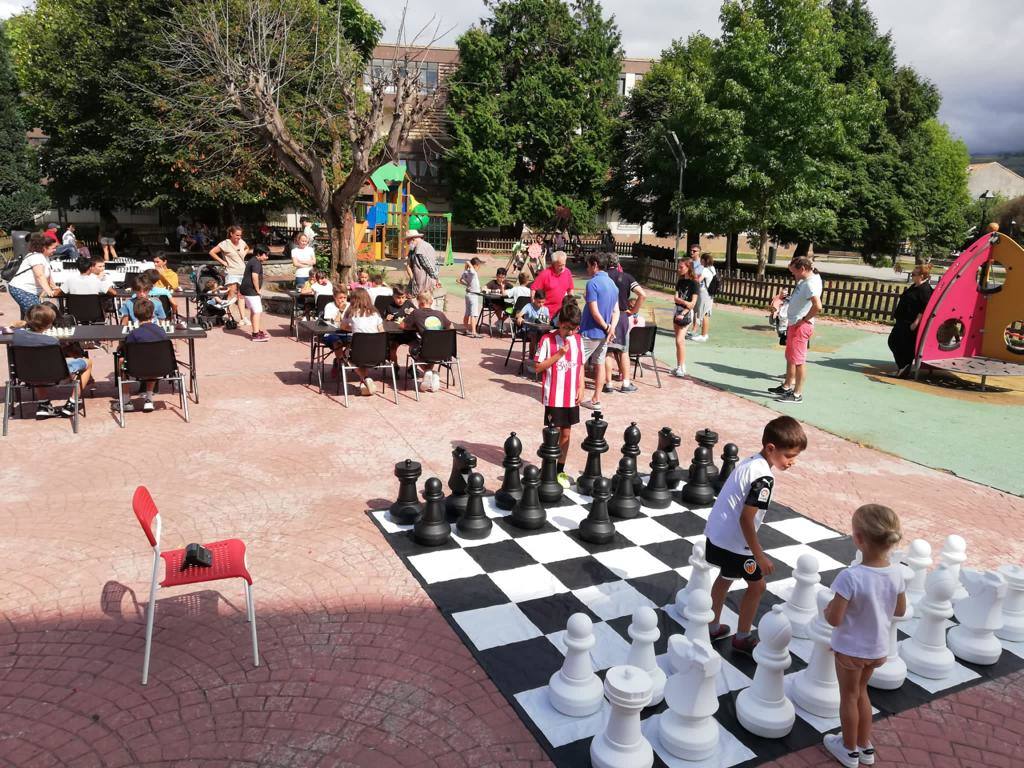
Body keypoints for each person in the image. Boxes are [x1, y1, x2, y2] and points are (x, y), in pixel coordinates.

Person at [703, 415, 807, 655]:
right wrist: (759, 556)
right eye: (789, 456)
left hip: (718, 536)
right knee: (757, 586)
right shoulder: (764, 479)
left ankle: (712, 627)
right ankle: (742, 637)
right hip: (737, 545)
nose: (792, 462)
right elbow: (746, 519)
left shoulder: (750, 462)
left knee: (725, 577)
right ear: (771, 448)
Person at [822, 504, 905, 768]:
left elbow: (834, 619)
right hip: (877, 649)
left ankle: (848, 749)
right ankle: (865, 746)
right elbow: (900, 610)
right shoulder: (896, 573)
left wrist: (827, 610)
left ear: (859, 539)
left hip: (850, 650)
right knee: (862, 693)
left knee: (848, 697)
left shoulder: (851, 576)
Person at [12, 303, 93, 418]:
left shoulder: (17, 336)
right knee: (88, 362)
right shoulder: (51, 341)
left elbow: (17, 328)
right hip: (56, 373)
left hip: (25, 373)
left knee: (37, 363)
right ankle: (72, 402)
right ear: (49, 324)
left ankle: (43, 404)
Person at [534, 301, 584, 488]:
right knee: (552, 435)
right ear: (560, 323)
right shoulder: (547, 339)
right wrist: (558, 355)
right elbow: (538, 367)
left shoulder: (578, 340)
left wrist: (581, 386)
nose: (569, 333)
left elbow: (580, 365)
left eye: (573, 329)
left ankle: (559, 470)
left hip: (571, 395)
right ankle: (547, 467)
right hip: (554, 395)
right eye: (566, 328)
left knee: (567, 433)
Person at [769, 256, 822, 403]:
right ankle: (787, 387)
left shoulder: (811, 284)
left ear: (803, 269)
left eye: (795, 272)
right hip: (794, 323)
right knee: (791, 357)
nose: (794, 275)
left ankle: (797, 394)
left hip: (801, 326)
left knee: (798, 361)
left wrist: (804, 320)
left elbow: (818, 306)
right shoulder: (807, 279)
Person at [578, 254, 619, 411]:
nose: (587, 269)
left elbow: (594, 312)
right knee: (599, 364)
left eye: (588, 265)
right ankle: (596, 399)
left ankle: (579, 395)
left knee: (579, 362)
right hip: (604, 334)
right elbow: (616, 311)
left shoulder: (592, 283)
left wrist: (607, 328)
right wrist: (611, 328)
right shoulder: (612, 284)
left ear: (595, 265)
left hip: (590, 331)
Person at [119, 297, 170, 413]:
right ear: (152, 314)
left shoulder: (133, 334)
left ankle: (126, 401)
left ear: (135, 316)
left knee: (121, 360)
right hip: (160, 367)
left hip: (137, 368)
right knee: (152, 359)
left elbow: (127, 349)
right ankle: (149, 399)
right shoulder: (162, 332)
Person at [604, 253, 646, 394]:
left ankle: (608, 384)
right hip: (622, 315)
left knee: (608, 351)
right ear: (618, 263)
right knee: (623, 351)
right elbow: (642, 294)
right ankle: (626, 383)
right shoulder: (627, 277)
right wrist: (634, 310)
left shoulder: (602, 276)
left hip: (606, 316)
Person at [888, 264, 933, 377]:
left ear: (922, 276)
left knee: (903, 345)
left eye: (914, 274)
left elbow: (924, 308)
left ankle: (903, 368)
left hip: (910, 322)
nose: (912, 275)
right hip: (902, 320)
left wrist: (916, 322)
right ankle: (903, 367)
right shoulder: (915, 286)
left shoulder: (925, 290)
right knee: (893, 342)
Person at [341, 287, 385, 396]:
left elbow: (342, 327)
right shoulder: (375, 312)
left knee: (345, 354)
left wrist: (354, 329)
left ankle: (366, 378)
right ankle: (364, 384)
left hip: (358, 353)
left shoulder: (351, 312)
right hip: (378, 353)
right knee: (362, 354)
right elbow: (382, 331)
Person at [408, 290, 454, 393]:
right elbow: (450, 327)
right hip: (444, 351)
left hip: (425, 349)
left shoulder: (416, 313)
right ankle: (433, 374)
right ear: (431, 301)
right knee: (431, 349)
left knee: (412, 348)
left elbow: (403, 325)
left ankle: (428, 371)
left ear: (421, 303)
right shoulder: (440, 314)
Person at [7, 232, 59, 317]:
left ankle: (25, 329)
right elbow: (40, 275)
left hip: (30, 291)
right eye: (53, 248)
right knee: (37, 315)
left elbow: (48, 276)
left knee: (29, 314)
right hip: (22, 289)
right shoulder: (36, 257)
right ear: (44, 248)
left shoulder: (45, 257)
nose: (55, 250)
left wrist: (55, 287)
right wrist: (48, 291)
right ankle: (30, 329)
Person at [209, 225, 251, 325]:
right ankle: (228, 315)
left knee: (241, 295)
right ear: (231, 234)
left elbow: (247, 247)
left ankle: (243, 317)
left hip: (242, 271)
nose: (239, 237)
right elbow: (212, 252)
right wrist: (222, 262)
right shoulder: (225, 244)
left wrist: (244, 254)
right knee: (231, 294)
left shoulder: (241, 242)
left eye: (240, 235)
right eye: (237, 235)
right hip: (232, 272)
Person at [671, 259, 699, 378]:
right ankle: (679, 365)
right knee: (678, 341)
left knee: (679, 340)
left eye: (681, 267)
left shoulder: (694, 283)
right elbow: (675, 298)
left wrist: (683, 310)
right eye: (679, 267)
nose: (679, 269)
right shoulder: (680, 281)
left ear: (688, 268)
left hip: (686, 314)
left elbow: (692, 304)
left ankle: (682, 368)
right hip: (676, 311)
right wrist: (683, 302)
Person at [531, 250, 574, 321]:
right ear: (553, 264)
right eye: (560, 265)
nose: (562, 267)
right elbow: (533, 289)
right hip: (545, 312)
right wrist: (535, 307)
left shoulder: (567, 272)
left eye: (564, 264)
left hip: (560, 313)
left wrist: (571, 304)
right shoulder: (545, 274)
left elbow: (570, 289)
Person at [240, 245, 270, 341]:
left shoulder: (253, 260)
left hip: (246, 290)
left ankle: (256, 330)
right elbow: (254, 276)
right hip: (251, 290)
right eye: (265, 255)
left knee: (254, 311)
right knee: (257, 311)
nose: (267, 257)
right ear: (258, 254)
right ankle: (255, 334)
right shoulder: (256, 263)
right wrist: (258, 290)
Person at [516, 289, 550, 360]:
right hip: (527, 330)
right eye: (539, 302)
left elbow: (548, 322)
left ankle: (544, 357)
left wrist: (546, 321)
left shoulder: (545, 309)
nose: (541, 304)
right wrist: (520, 318)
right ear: (534, 299)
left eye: (543, 302)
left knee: (549, 337)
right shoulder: (529, 306)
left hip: (540, 331)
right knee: (534, 336)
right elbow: (518, 315)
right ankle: (531, 357)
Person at [406, 229, 440, 298]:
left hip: (424, 282)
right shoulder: (425, 246)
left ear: (413, 239)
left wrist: (436, 278)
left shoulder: (420, 249)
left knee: (424, 301)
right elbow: (436, 263)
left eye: (408, 240)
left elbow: (429, 266)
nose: (407, 243)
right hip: (422, 281)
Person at [691, 252, 716, 342]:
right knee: (706, 314)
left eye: (701, 259)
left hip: (704, 293)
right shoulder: (712, 268)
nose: (700, 261)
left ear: (704, 260)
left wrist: (693, 276)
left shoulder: (705, 270)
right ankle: (704, 334)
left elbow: (698, 281)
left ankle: (703, 335)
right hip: (710, 294)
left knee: (704, 314)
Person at [458, 257, 483, 338]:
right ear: (476, 265)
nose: (479, 268)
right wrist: (468, 263)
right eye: (478, 266)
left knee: (467, 313)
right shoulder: (473, 272)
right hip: (473, 295)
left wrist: (467, 285)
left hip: (468, 294)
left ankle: (465, 329)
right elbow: (472, 269)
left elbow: (460, 280)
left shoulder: (466, 272)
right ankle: (474, 332)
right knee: (473, 314)